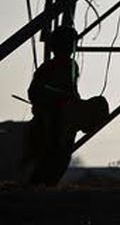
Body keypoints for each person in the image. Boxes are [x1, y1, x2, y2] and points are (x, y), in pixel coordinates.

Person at [27, 25, 81, 185]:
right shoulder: (49, 68)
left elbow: (72, 91)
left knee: (58, 159)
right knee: (50, 158)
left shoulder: (71, 65)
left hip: (63, 120)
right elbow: (34, 92)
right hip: (50, 121)